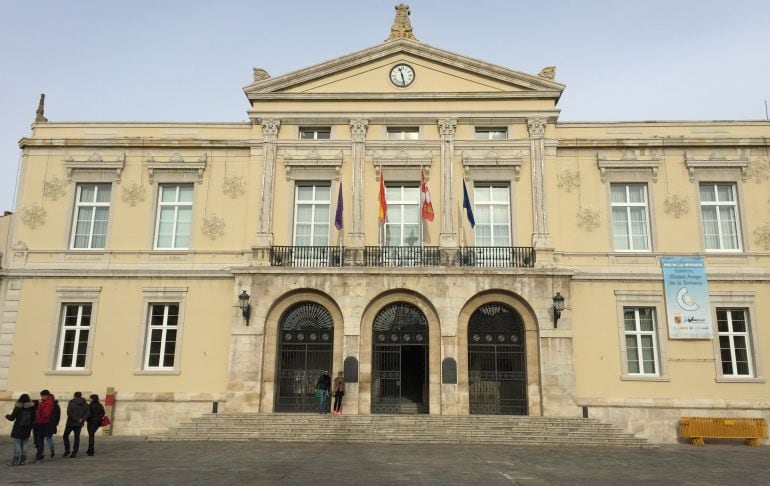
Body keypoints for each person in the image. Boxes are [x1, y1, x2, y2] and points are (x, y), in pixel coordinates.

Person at [5, 393, 36, 466]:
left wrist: (7, 416)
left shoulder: (18, 407)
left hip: (18, 428)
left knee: (17, 445)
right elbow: (33, 418)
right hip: (27, 428)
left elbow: (12, 418)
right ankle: (23, 460)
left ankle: (15, 461)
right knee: (24, 444)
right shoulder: (31, 408)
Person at [62, 391, 90, 458]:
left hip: (70, 423)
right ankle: (74, 452)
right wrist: (82, 419)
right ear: (80, 396)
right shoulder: (86, 404)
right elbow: (88, 413)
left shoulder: (71, 403)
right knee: (77, 438)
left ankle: (67, 450)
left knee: (65, 436)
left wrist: (76, 419)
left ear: (74, 396)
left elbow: (69, 413)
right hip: (79, 424)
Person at [32, 389, 54, 463]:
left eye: (42, 396)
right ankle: (39, 455)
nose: (41, 397)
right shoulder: (43, 402)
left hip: (43, 423)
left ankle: (39, 457)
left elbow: (46, 414)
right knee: (39, 441)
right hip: (39, 422)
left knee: (40, 440)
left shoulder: (48, 403)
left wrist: (40, 417)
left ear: (46, 395)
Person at [44, 394, 61, 459]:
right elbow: (58, 416)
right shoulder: (56, 405)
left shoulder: (46, 404)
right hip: (52, 424)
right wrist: (56, 423)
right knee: (49, 438)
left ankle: (40, 452)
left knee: (42, 438)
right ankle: (52, 450)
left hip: (45, 423)